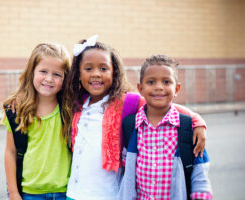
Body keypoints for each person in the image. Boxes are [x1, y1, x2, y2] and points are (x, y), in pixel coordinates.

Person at [63, 35, 207, 200]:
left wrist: (197, 121)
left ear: (114, 72)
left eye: (103, 69)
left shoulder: (127, 101)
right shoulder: (76, 103)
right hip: (74, 193)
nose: (96, 74)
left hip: (109, 194)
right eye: (88, 69)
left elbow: (165, 106)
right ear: (78, 74)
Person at [119, 55, 213, 200]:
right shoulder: (131, 126)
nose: (159, 87)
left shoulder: (187, 127)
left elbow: (200, 174)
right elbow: (127, 169)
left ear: (177, 89)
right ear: (140, 88)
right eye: (151, 82)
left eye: (166, 81)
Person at [2, 43, 72, 200]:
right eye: (43, 71)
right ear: (31, 72)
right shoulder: (17, 110)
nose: (49, 79)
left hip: (66, 192)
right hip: (30, 193)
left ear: (65, 78)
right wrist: (13, 193)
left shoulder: (70, 108)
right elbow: (10, 152)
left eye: (57, 74)